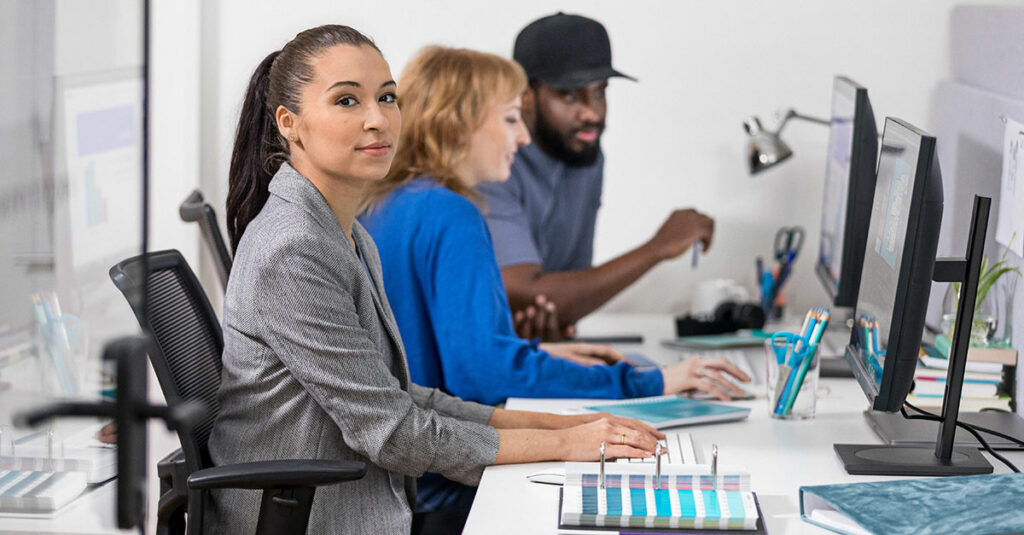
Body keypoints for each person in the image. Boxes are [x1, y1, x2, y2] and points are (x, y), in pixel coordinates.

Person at [210, 25, 666, 535]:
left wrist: (569, 427)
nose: (377, 119)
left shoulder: (347, 231)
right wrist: (565, 443)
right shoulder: (294, 249)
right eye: (346, 101)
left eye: (387, 97)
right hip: (326, 519)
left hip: (368, 497)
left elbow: (402, 395)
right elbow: (396, 431)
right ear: (290, 124)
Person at [358, 45, 750, 523]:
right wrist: (653, 380)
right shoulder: (451, 214)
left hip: (404, 479)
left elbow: (450, 355)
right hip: (444, 490)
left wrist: (540, 352)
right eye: (509, 120)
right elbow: (485, 376)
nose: (523, 138)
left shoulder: (390, 201)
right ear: (457, 124)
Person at [477, 12, 716, 340]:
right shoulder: (492, 161)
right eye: (570, 95)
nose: (593, 112)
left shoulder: (584, 154)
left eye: (600, 92)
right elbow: (520, 293)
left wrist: (558, 314)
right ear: (525, 94)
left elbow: (567, 293)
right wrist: (657, 248)